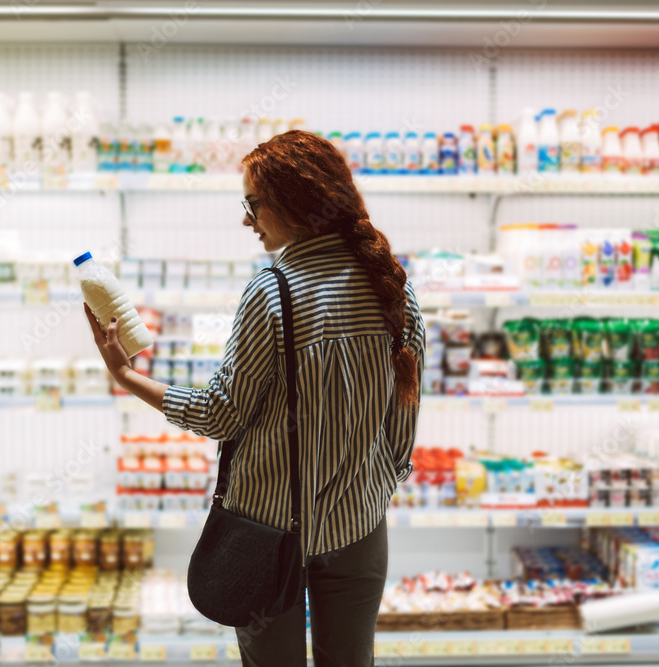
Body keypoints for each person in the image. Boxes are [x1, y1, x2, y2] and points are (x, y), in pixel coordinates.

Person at [85, 130, 425, 667]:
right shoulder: (392, 285)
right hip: (360, 527)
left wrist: (127, 376)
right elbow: (403, 414)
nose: (247, 219)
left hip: (268, 533)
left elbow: (222, 414)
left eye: (253, 203)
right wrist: (376, 483)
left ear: (295, 202)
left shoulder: (274, 290)